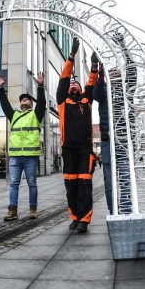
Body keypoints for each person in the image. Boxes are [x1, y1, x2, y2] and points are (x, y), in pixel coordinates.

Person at [57, 37, 99, 233]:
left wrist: (94, 65)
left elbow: (92, 81)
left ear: (80, 90)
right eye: (71, 83)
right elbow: (64, 78)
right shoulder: (62, 101)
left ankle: (85, 219)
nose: (73, 84)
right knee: (70, 185)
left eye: (76, 84)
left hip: (84, 149)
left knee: (84, 184)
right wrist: (71, 56)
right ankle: (74, 217)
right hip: (68, 149)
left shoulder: (86, 101)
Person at [0, 71, 46, 221]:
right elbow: (5, 105)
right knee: (14, 184)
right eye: (22, 99)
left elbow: (42, 104)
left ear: (31, 103)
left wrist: (40, 86)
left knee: (32, 183)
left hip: (30, 156)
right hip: (16, 156)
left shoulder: (35, 115)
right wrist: (0, 89)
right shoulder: (14, 115)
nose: (24, 100)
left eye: (27, 99)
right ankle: (12, 210)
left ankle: (32, 209)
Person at [92, 61, 113, 214]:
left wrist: (124, 47)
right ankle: (113, 211)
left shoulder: (125, 92)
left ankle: (126, 209)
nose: (115, 75)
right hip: (106, 142)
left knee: (125, 179)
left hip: (124, 143)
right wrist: (100, 77)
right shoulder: (103, 91)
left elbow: (132, 76)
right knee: (109, 182)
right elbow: (96, 92)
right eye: (112, 73)